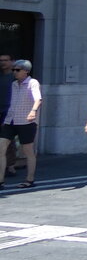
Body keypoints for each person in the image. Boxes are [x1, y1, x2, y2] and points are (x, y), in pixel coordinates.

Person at [0, 59, 40, 189]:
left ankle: (29, 179)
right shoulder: (14, 84)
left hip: (26, 121)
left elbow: (38, 99)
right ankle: (0, 180)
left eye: (17, 70)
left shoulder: (33, 83)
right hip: (10, 120)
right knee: (1, 147)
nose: (14, 72)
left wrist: (33, 111)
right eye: (13, 70)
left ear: (26, 71)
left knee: (28, 150)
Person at [0, 53, 15, 176]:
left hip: (9, 111)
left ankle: (10, 165)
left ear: (11, 62)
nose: (3, 63)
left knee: (8, 139)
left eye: (5, 60)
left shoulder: (14, 78)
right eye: (1, 60)